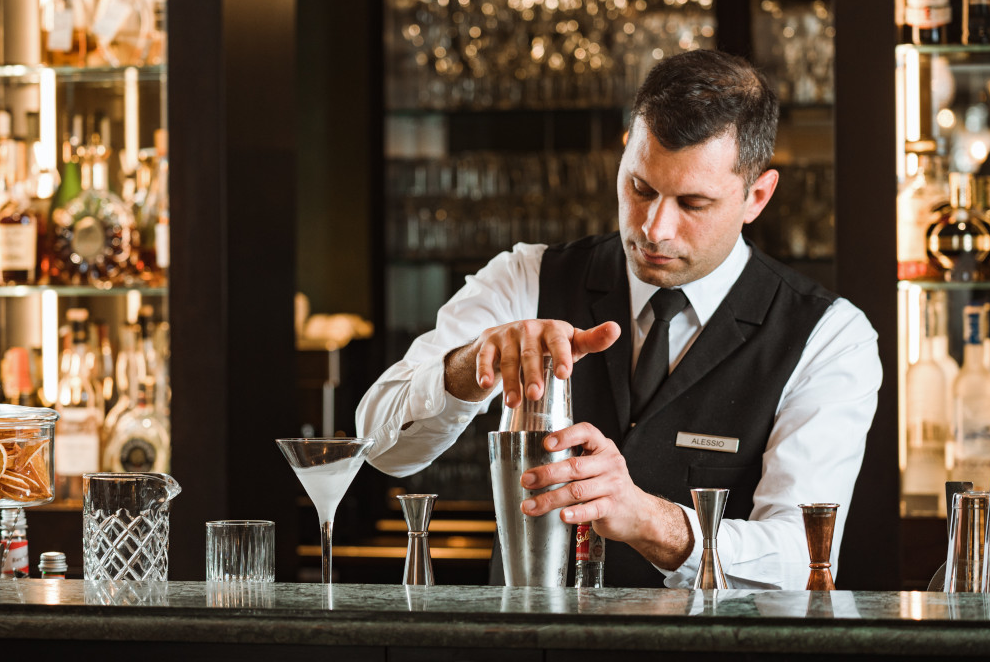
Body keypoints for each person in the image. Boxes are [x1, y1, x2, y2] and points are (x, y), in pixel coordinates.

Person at [356, 49, 881, 589]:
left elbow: (802, 560)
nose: (655, 227)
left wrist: (648, 519)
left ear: (757, 196)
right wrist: (470, 366)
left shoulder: (828, 337)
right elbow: (382, 450)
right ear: (623, 157)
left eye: (693, 203)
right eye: (640, 188)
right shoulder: (526, 277)